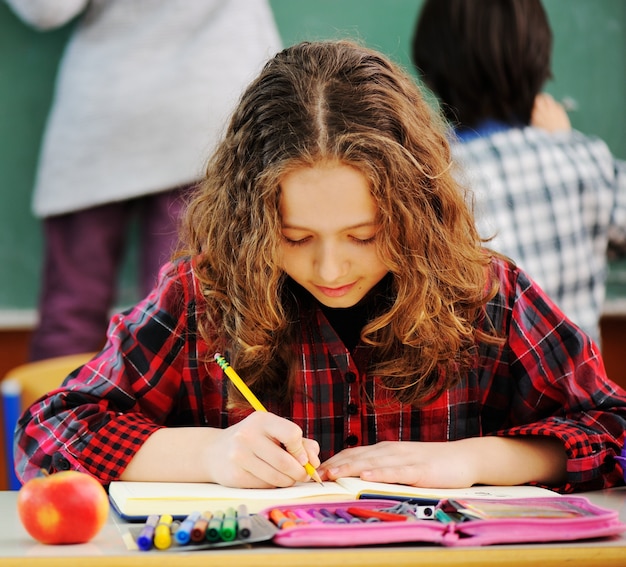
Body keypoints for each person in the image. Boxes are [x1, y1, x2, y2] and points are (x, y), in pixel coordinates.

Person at [14, 40, 626, 494]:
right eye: (295, 237)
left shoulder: (487, 295)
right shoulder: (203, 296)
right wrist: (206, 455)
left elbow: (613, 429)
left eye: (364, 235)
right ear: (250, 224)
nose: (331, 267)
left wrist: (473, 462)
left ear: (417, 212)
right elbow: (49, 434)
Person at [4, 0, 282, 361]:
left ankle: (53, 417)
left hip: (105, 111)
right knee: (176, 325)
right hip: (212, 114)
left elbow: (46, 10)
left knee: (72, 317)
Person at [411, 0, 626, 346]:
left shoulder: (428, 178)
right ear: (540, 61)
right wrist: (566, 142)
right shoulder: (586, 160)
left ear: (429, 70)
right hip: (580, 396)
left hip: (483, 398)